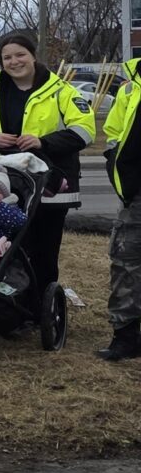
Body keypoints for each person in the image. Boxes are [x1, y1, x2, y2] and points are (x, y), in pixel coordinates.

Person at [0, 30, 93, 297]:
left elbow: (85, 131)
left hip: (50, 185)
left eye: (20, 54)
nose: (14, 61)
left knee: (44, 251)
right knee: (6, 247)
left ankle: (39, 306)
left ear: (33, 56)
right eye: (7, 57)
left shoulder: (61, 91)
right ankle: (6, 301)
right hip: (6, 188)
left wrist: (43, 142)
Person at [99, 54, 141, 360]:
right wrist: (116, 163)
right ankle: (125, 338)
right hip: (136, 196)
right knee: (126, 263)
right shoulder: (129, 87)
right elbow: (113, 133)